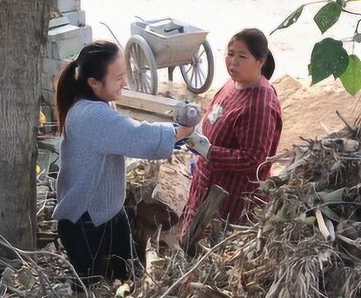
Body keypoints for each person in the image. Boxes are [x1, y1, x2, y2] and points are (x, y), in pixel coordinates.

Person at [51, 41, 194, 283]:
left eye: (124, 74)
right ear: (93, 83)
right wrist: (181, 132)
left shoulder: (97, 103)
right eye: (118, 78)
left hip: (106, 213)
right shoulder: (91, 115)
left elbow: (125, 132)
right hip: (86, 223)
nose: (125, 83)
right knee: (93, 293)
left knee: (126, 278)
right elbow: (137, 136)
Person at [182, 28, 283, 234]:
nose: (233, 62)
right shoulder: (234, 82)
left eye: (242, 56)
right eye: (230, 54)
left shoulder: (260, 105)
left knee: (213, 253)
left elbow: (253, 159)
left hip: (230, 202)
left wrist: (209, 151)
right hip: (205, 184)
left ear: (260, 62)